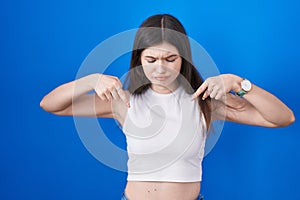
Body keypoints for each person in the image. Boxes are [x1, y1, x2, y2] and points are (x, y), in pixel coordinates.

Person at [40, 14, 295, 200]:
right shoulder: (122, 101)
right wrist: (91, 79)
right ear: (139, 59)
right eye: (150, 59)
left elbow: (282, 118)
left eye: (170, 59)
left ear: (183, 59)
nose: (160, 67)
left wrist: (238, 83)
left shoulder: (205, 101)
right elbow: (51, 105)